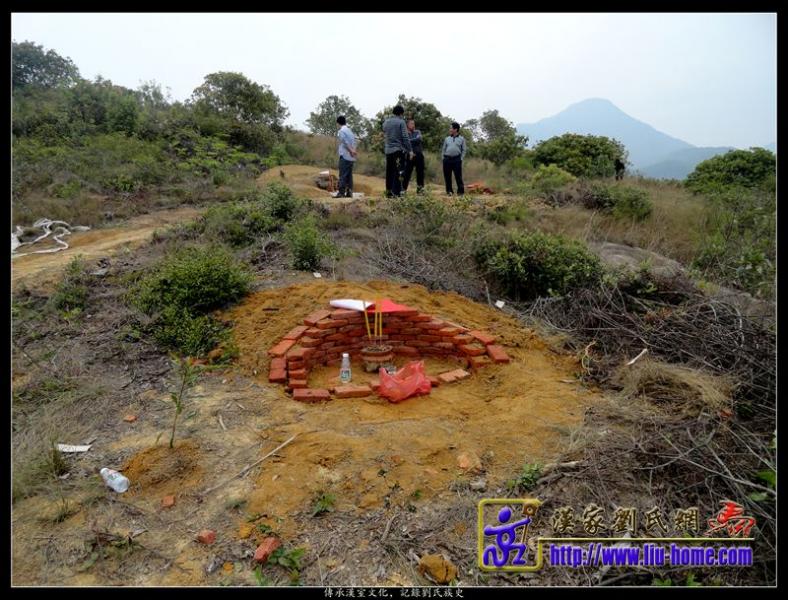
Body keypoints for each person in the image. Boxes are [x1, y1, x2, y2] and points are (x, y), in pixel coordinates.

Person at [382, 105, 413, 197]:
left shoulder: (386, 122)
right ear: (401, 113)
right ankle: (396, 193)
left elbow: (384, 130)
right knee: (399, 172)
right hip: (398, 150)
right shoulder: (401, 122)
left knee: (389, 172)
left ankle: (388, 193)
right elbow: (405, 137)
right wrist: (410, 150)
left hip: (388, 151)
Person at [334, 115, 357, 198]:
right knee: (349, 175)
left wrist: (351, 151)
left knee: (342, 174)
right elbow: (354, 142)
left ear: (338, 123)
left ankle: (341, 193)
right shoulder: (350, 131)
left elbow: (345, 142)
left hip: (345, 155)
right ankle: (349, 192)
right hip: (351, 157)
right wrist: (353, 151)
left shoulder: (341, 131)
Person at [441, 122, 466, 196]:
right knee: (447, 176)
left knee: (458, 176)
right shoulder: (447, 139)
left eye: (451, 128)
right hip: (447, 160)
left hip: (457, 160)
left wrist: (461, 159)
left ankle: (460, 192)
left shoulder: (462, 139)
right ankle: (449, 191)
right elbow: (443, 149)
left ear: (456, 129)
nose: (450, 129)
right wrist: (443, 158)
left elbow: (464, 150)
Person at [402, 119, 425, 194]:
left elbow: (419, 139)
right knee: (406, 174)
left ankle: (420, 191)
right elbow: (404, 143)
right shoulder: (405, 133)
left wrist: (409, 140)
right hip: (409, 156)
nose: (413, 125)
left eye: (414, 124)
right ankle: (403, 190)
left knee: (420, 174)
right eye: (411, 124)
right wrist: (409, 141)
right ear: (407, 125)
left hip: (419, 155)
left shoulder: (417, 132)